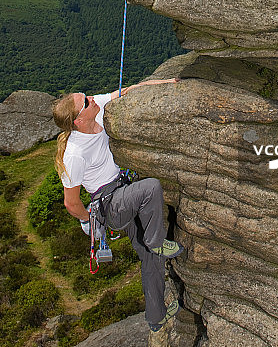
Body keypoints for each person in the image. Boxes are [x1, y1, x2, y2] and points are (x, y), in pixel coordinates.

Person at [52, 78, 183, 332]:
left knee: (150, 260)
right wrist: (87, 221)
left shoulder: (95, 110)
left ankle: (156, 318)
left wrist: (168, 82)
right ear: (78, 120)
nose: (92, 99)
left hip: (123, 192)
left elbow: (128, 91)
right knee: (151, 187)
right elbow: (71, 202)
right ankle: (157, 242)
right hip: (110, 204)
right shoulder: (74, 153)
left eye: (87, 96)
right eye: (86, 101)